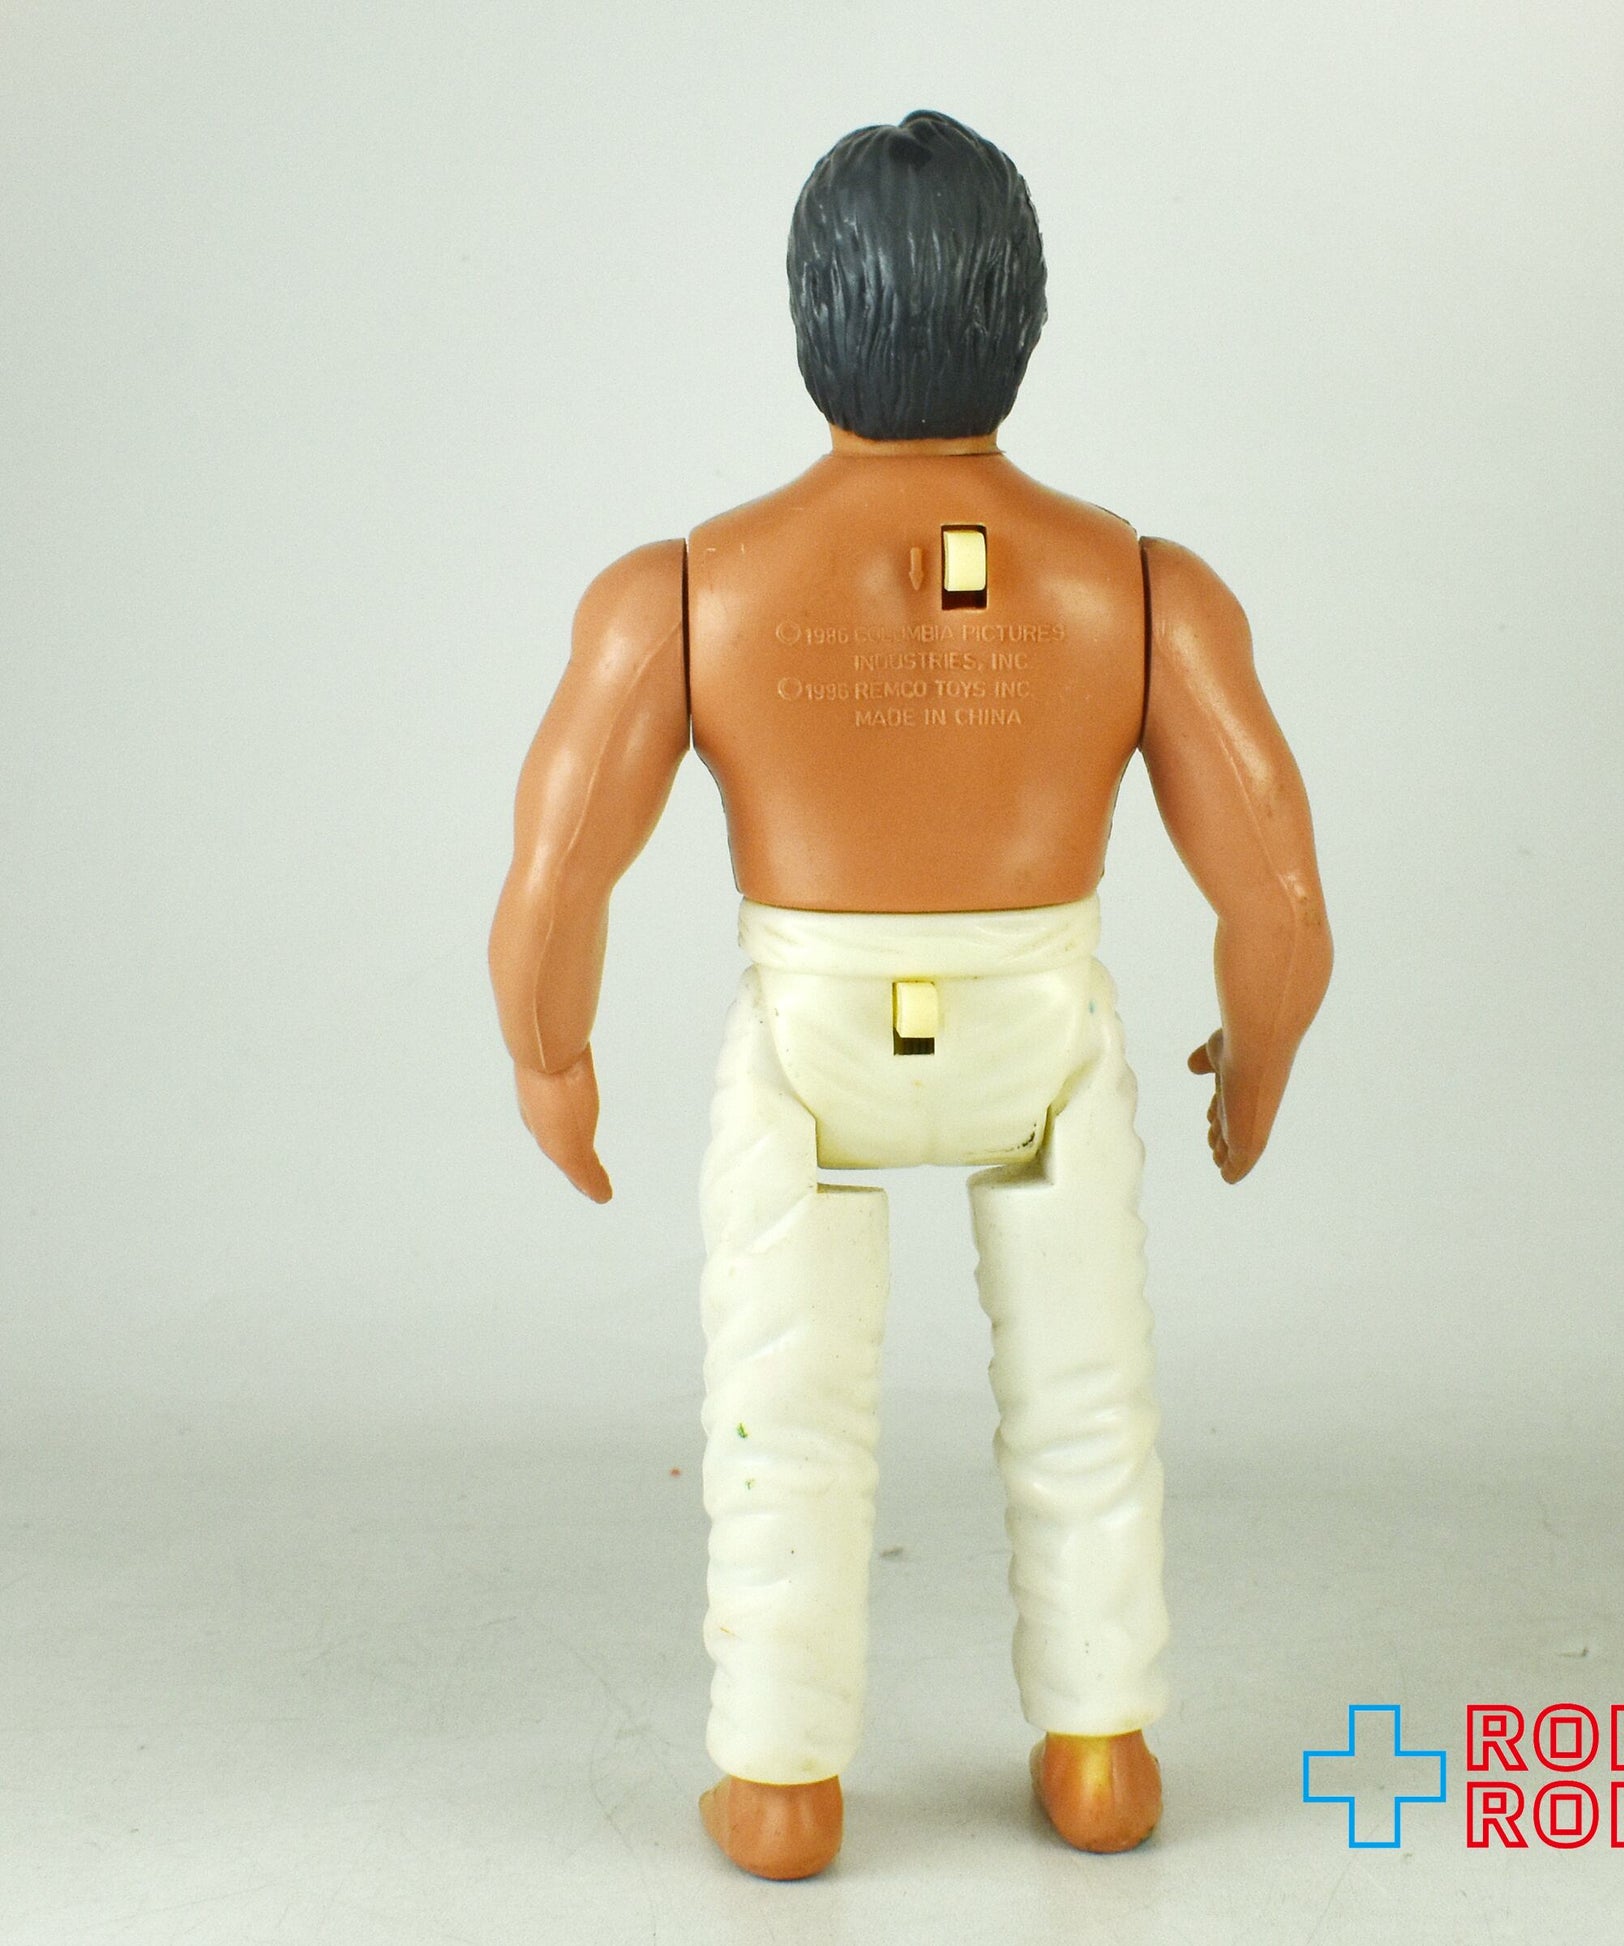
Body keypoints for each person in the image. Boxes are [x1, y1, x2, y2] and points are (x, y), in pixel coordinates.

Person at [489, 110, 1332, 1880]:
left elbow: (557, 878)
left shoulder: (688, 592)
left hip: (811, 1045)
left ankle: (780, 1780)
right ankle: (1101, 1750)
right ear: (1023, 315)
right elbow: (1274, 895)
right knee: (1087, 1399)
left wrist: (552, 1058)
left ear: (809, 317)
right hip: (1044, 1035)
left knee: (779, 1414)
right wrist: (1252, 1064)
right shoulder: (1138, 589)